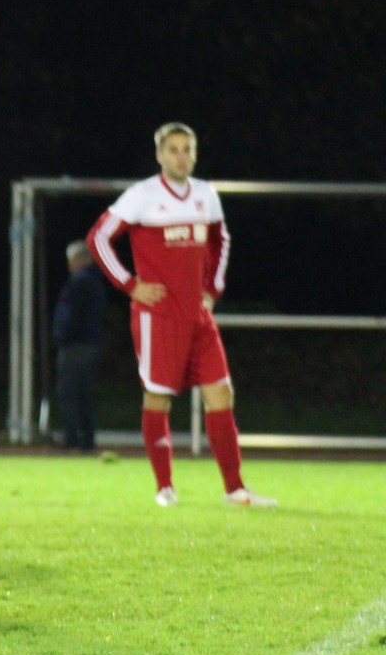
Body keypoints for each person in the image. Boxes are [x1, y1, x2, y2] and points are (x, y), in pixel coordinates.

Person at [86, 122, 275, 507]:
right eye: (172, 149)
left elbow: (221, 241)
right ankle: (165, 487)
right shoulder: (142, 195)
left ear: (194, 153)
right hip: (158, 317)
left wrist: (212, 290)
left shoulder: (206, 195)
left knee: (222, 392)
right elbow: (98, 238)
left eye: (187, 149)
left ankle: (234, 488)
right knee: (158, 397)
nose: (180, 156)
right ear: (159, 155)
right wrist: (130, 284)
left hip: (197, 315)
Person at [52, 240, 107, 452]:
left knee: (69, 392)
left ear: (79, 259)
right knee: (85, 393)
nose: (69, 265)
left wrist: (62, 335)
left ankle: (72, 437)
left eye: (72, 260)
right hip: (91, 343)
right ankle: (87, 439)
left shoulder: (79, 282)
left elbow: (70, 315)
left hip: (76, 345)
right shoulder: (95, 281)